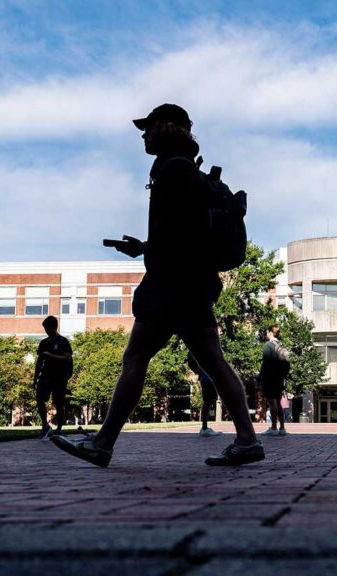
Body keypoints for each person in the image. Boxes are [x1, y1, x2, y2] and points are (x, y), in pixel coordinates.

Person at [52, 103, 263, 467]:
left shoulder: (173, 169)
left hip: (171, 283)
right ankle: (246, 440)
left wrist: (153, 253)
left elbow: (180, 235)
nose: (143, 135)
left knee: (136, 357)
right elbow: (188, 233)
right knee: (213, 361)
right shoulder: (184, 169)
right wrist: (144, 248)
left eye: (147, 128)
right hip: (193, 283)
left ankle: (102, 443)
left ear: (167, 127)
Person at [35, 315, 73, 439]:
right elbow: (39, 361)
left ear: (54, 327)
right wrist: (35, 378)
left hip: (59, 376)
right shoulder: (43, 343)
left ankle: (59, 428)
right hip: (45, 375)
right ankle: (45, 425)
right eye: (45, 328)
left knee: (58, 402)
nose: (46, 331)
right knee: (40, 398)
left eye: (47, 328)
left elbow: (67, 358)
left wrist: (50, 356)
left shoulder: (63, 342)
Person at [259, 325, 290, 437]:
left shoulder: (268, 345)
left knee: (272, 402)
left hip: (270, 377)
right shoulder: (281, 345)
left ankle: (273, 428)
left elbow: (266, 363)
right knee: (278, 403)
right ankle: (282, 427)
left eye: (267, 332)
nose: (266, 334)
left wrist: (261, 377)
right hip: (280, 378)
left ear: (270, 333)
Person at [187, 352, 222, 437]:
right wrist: (201, 371)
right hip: (207, 377)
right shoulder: (199, 345)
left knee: (210, 400)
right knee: (208, 401)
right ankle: (204, 428)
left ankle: (204, 428)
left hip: (209, 376)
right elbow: (191, 361)